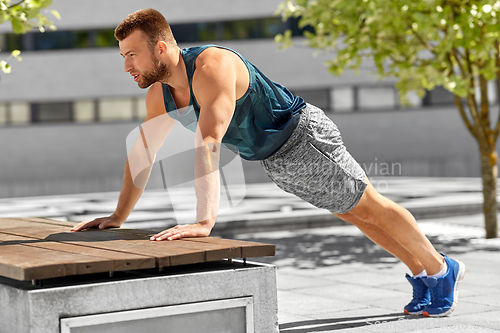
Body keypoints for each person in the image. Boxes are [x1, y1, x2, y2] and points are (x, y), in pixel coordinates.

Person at [71, 8, 465, 317]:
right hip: (275, 158)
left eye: (132, 55)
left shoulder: (211, 67)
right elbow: (142, 153)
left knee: (367, 204)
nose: (127, 66)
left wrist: (204, 222)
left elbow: (207, 142)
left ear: (160, 47)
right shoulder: (159, 95)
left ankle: (440, 270)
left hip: (302, 137)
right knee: (353, 212)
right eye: (124, 57)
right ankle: (425, 273)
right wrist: (118, 217)